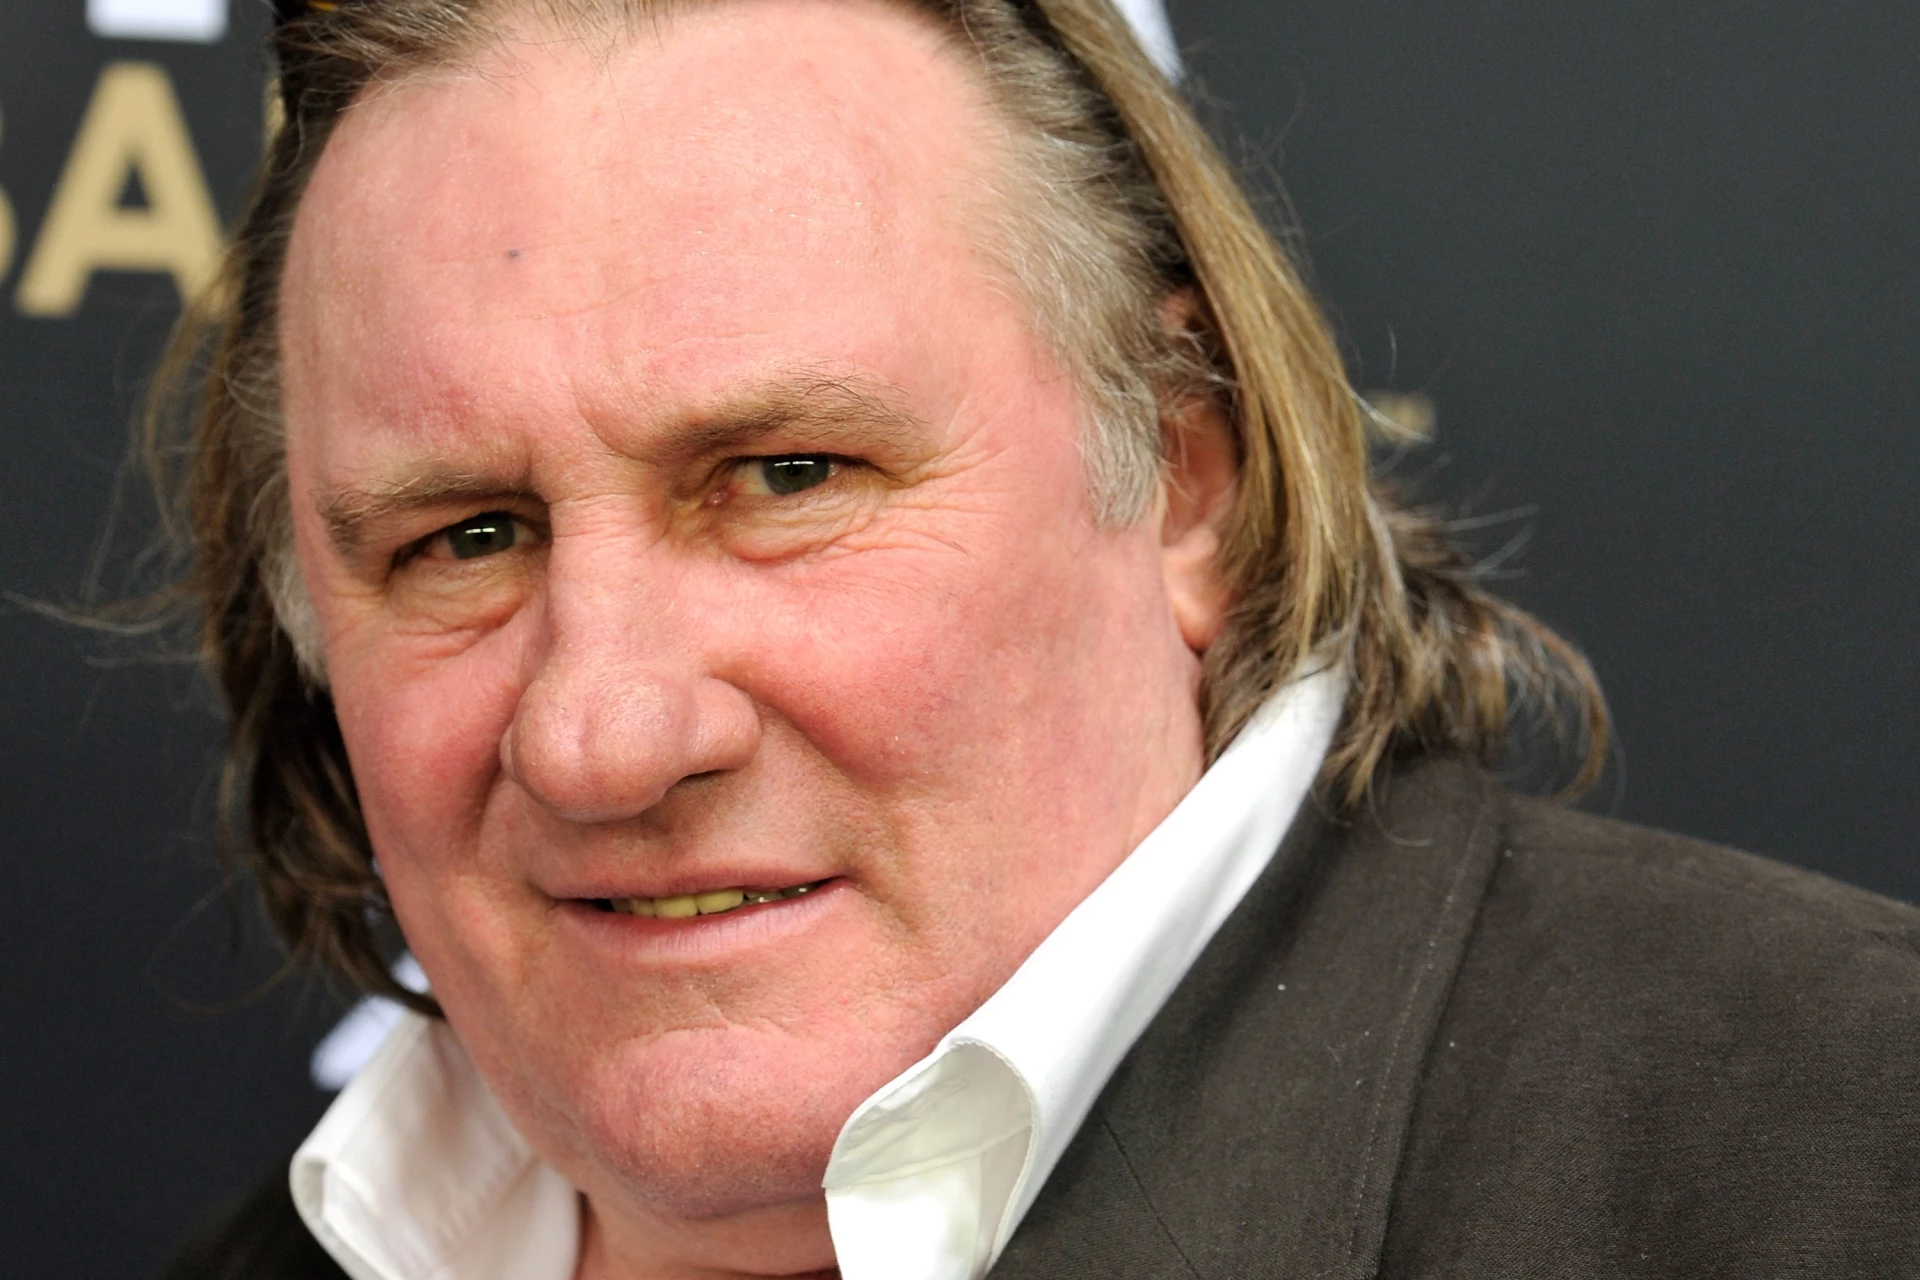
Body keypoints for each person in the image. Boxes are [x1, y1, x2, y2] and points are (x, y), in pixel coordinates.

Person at [159, 0, 1920, 1277]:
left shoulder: (1849, 1162)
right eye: (465, 539)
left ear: (1183, 477)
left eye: (787, 477)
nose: (601, 735)